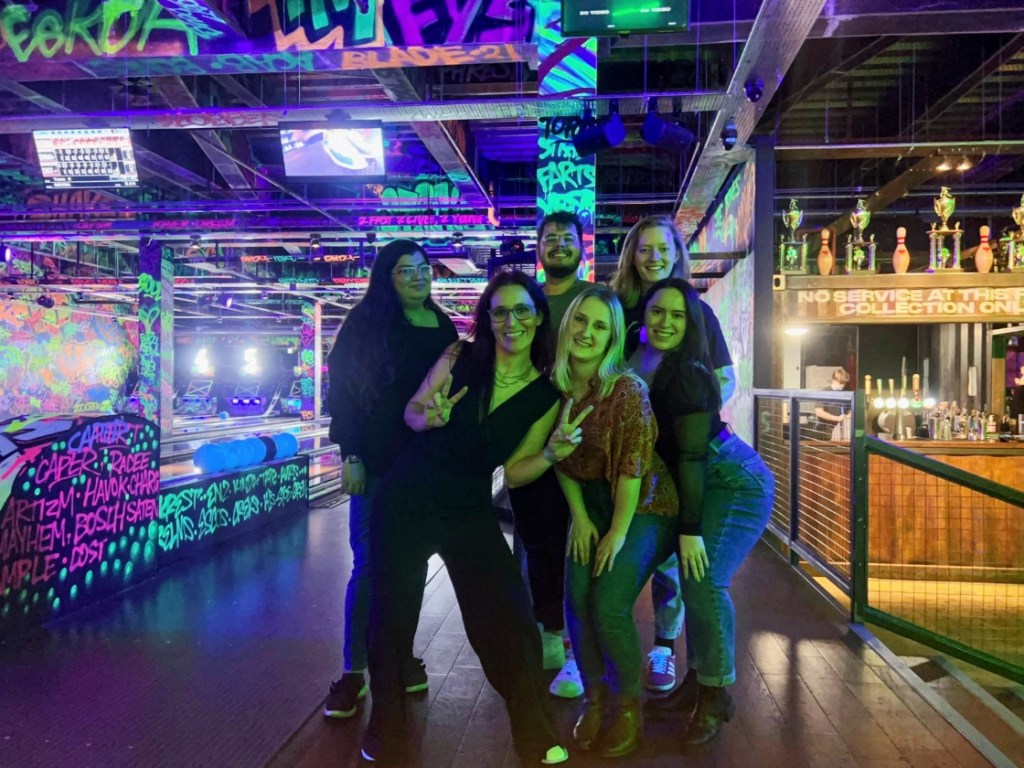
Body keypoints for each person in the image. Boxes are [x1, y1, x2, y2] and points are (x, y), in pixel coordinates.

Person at [363, 271, 591, 766]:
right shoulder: (459, 357)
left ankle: (532, 727)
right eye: (500, 311)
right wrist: (431, 417)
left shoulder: (546, 395)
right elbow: (412, 412)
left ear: (537, 316)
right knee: (392, 614)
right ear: (488, 319)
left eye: (522, 310)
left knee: (507, 614)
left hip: (467, 506)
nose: (512, 321)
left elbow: (515, 470)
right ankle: (386, 721)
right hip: (407, 494)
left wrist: (551, 455)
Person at [631, 278, 775, 745]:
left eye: (677, 315)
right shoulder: (646, 360)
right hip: (706, 479)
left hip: (733, 482)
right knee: (693, 584)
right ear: (643, 316)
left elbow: (692, 457)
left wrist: (689, 530)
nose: (666, 322)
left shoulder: (689, 371)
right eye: (657, 312)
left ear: (691, 322)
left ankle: (716, 694)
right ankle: (696, 681)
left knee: (706, 582)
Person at [324, 239, 457, 718]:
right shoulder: (364, 323)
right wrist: (351, 453)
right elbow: (342, 393)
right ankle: (353, 672)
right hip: (377, 463)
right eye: (406, 271)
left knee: (411, 566)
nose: (419, 277)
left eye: (424, 269)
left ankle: (400, 656)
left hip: (424, 465)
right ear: (387, 277)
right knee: (370, 566)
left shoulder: (440, 323)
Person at [609, 214, 736, 692]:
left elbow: (725, 376)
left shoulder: (696, 310)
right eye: (644, 249)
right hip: (624, 454)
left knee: (673, 563)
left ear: (677, 254)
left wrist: (689, 423)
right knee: (616, 548)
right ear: (631, 255)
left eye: (663, 248)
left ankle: (664, 649)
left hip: (675, 455)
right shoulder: (618, 308)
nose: (654, 257)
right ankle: (601, 654)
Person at [553, 286, 679, 758]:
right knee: (575, 599)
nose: (587, 332)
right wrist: (582, 520)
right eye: (581, 322)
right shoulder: (559, 386)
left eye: (600, 326)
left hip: (644, 506)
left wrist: (617, 532)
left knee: (606, 601)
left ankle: (628, 706)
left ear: (612, 339)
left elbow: (633, 470)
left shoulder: (627, 390)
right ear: (568, 327)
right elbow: (560, 461)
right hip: (592, 505)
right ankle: (596, 698)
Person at [507, 210, 591, 698]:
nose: (558, 244)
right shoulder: (531, 303)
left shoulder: (595, 300)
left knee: (578, 547)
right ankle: (550, 636)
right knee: (538, 546)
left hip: (582, 439)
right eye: (549, 238)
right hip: (533, 442)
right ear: (538, 247)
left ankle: (581, 651)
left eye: (567, 238)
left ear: (582, 246)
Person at [813, 367, 851, 439]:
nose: (842, 386)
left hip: (842, 430)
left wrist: (849, 416)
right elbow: (819, 412)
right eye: (840, 383)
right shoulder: (823, 393)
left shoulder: (845, 394)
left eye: (844, 383)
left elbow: (850, 410)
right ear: (833, 380)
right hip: (825, 431)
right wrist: (837, 418)